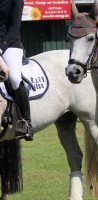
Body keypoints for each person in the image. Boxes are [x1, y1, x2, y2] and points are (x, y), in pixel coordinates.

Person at [0, 0, 33, 141]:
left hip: (10, 44)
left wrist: (1, 48)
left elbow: (14, 26)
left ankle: (26, 123)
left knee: (13, 78)